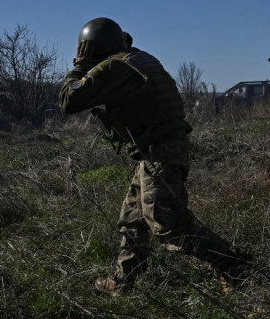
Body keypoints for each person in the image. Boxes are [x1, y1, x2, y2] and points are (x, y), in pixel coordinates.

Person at [58, 17, 250, 296]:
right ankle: (121, 282)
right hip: (157, 150)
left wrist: (79, 68)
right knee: (133, 219)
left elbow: (69, 101)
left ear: (92, 49)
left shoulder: (114, 66)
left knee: (168, 223)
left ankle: (235, 265)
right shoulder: (139, 59)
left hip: (161, 151)